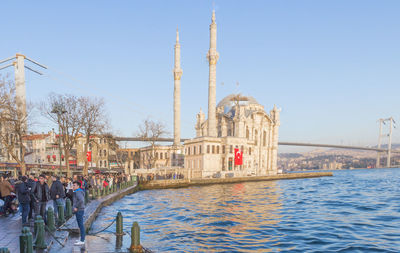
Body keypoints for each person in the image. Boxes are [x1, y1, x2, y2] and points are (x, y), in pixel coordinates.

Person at [72, 181, 85, 246]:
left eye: (74, 185)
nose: (73, 186)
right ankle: (82, 238)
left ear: (78, 186)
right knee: (80, 225)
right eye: (73, 185)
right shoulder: (77, 191)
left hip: (79, 210)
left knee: (81, 225)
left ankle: (82, 240)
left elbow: (81, 200)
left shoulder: (78, 192)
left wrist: (76, 207)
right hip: (80, 209)